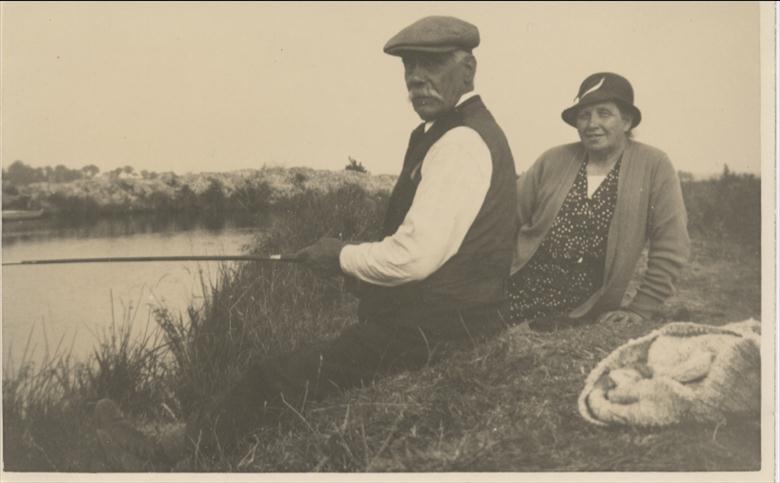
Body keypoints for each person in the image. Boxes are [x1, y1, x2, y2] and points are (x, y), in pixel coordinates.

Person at [96, 15, 517, 466]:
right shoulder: (453, 132)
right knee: (309, 365)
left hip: (439, 332)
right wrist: (348, 267)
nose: (416, 78)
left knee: (269, 377)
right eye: (409, 67)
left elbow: (414, 258)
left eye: (431, 64)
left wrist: (340, 257)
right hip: (445, 320)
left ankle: (162, 454)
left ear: (468, 69)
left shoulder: (461, 142)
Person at [507, 72, 690, 330]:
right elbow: (507, 218)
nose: (592, 123)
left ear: (626, 122)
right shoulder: (553, 159)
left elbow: (672, 243)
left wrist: (641, 309)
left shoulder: (654, 165)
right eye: (584, 115)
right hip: (518, 284)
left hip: (585, 306)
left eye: (604, 113)